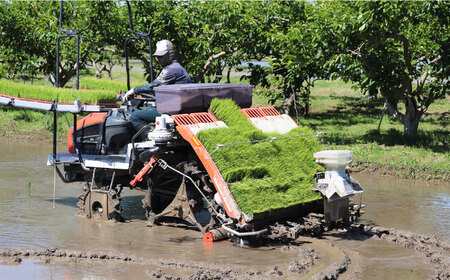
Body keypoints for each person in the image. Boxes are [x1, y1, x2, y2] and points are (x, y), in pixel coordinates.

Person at [124, 39, 191, 130]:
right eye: (157, 56)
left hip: (172, 111)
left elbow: (153, 86)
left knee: (135, 116)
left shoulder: (171, 70)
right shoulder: (177, 67)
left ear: (170, 54)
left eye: (161, 56)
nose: (158, 59)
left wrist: (133, 90)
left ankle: (148, 139)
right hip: (178, 107)